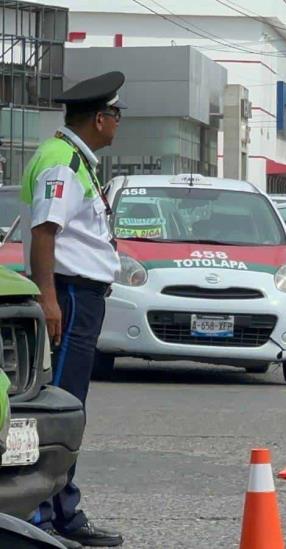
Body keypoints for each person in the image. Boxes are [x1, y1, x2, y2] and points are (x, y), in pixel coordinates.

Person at [19, 72, 126, 548]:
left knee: (70, 406)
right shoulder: (62, 163)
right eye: (116, 114)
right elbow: (46, 233)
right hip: (69, 295)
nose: (119, 123)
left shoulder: (73, 159)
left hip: (79, 294)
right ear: (99, 118)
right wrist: (47, 298)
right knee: (60, 407)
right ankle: (45, 516)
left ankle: (61, 511)